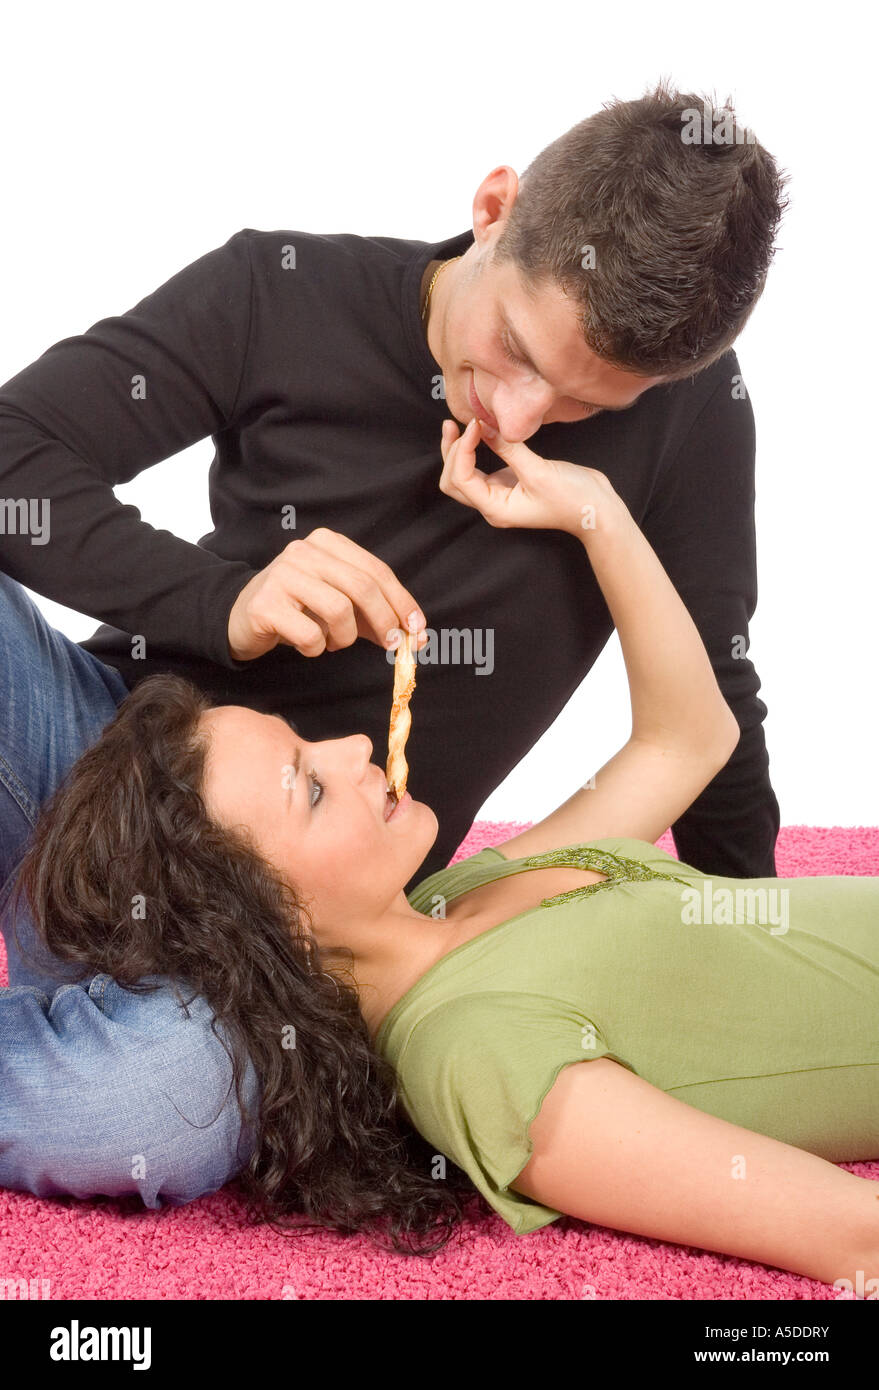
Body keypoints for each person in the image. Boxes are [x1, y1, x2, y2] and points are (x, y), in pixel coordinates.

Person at [0, 80, 790, 1209]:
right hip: (90, 763)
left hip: (280, 932)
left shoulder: (690, 415)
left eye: (581, 407)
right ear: (494, 203)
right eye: (513, 347)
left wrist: (742, 943)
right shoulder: (275, 293)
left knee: (154, 1105)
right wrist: (223, 600)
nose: (512, 419)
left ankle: (74, 1031)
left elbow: (713, 691)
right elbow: (14, 451)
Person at [5, 415, 878, 1289]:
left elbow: (688, 738)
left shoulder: (457, 895)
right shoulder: (469, 1054)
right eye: (309, 787)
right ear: (269, 924)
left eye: (307, 743)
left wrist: (600, 516)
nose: (352, 749)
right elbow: (850, 1236)